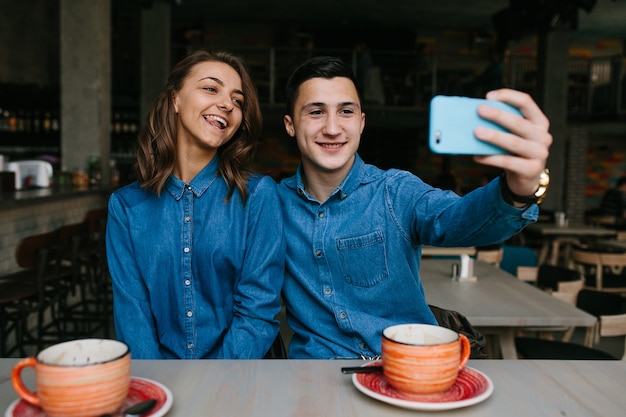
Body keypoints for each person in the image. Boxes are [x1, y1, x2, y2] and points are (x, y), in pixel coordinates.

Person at [277, 56, 552, 359]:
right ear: (290, 125)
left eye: (346, 111)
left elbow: (457, 219)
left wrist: (520, 188)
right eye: (316, 112)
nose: (332, 128)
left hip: (405, 373)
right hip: (314, 381)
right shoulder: (271, 205)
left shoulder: (395, 191)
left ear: (362, 122)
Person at [106, 50, 285, 359]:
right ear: (175, 99)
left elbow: (258, 310)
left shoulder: (258, 196)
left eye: (238, 100)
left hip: (238, 382)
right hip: (162, 387)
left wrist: (212, 388)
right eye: (210, 88)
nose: (227, 104)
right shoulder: (126, 207)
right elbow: (132, 313)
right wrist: (161, 387)